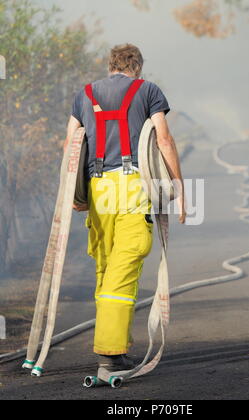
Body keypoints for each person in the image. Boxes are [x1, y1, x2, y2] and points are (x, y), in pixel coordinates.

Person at [64, 43, 186, 371]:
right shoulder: (148, 90)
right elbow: (163, 139)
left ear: (111, 66)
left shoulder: (84, 94)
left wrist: (74, 195)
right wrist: (179, 188)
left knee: (106, 267)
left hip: (98, 188)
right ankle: (108, 350)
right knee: (128, 258)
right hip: (132, 186)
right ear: (138, 67)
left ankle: (118, 348)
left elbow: (71, 147)